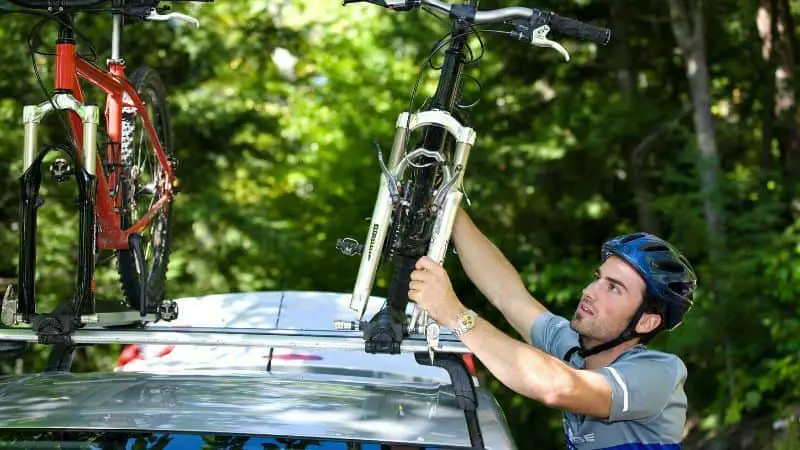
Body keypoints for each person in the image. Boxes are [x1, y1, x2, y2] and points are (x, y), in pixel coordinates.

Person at [408, 208, 697, 449]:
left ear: (646, 321)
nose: (589, 291)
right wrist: (451, 210)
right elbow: (508, 295)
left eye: (613, 288)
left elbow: (558, 386)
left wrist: (455, 314)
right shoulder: (574, 349)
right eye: (598, 278)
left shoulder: (658, 373)